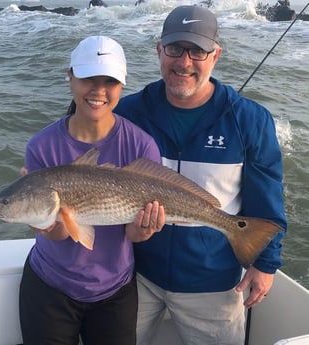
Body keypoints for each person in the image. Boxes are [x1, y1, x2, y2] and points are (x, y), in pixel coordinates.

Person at [115, 5, 287, 345]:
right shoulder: (128, 112)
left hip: (213, 282)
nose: (184, 62)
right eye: (175, 49)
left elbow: (267, 199)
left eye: (198, 50)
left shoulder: (250, 120)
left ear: (216, 54)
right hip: (136, 275)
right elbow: (89, 157)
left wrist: (265, 263)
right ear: (159, 50)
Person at [19, 35, 164, 345]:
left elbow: (133, 234)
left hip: (115, 290)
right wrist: (46, 224)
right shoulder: (42, 146)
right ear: (71, 76)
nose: (98, 90)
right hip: (50, 286)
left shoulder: (141, 146)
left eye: (109, 80)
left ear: (122, 84)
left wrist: (144, 229)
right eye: (88, 78)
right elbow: (59, 234)